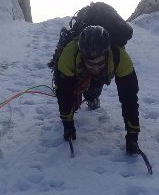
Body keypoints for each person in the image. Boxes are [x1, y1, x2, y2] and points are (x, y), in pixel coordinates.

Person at [54, 25, 141, 155]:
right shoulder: (68, 57)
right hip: (76, 73)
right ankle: (80, 97)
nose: (94, 68)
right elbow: (63, 93)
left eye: (99, 63)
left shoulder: (120, 58)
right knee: (71, 100)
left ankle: (91, 98)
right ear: (82, 56)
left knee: (92, 92)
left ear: (107, 54)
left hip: (99, 76)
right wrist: (67, 122)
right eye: (90, 63)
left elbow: (129, 99)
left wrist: (133, 135)